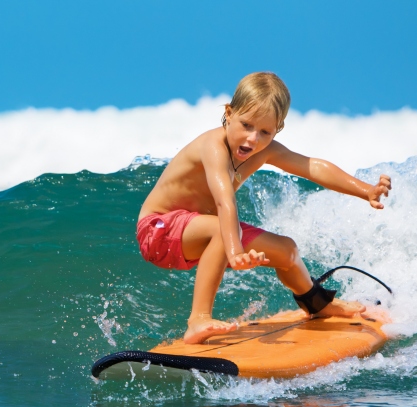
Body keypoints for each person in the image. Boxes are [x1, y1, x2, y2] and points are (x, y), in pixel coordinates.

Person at [137, 72, 392, 344]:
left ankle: (317, 304)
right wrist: (234, 250)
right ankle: (198, 320)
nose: (252, 139)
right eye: (246, 125)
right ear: (229, 113)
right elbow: (225, 201)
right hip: (158, 230)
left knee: (287, 251)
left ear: (278, 129)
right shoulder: (213, 146)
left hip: (201, 229)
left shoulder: (265, 151)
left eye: (265, 132)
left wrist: (365, 190)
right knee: (224, 229)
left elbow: (312, 167)